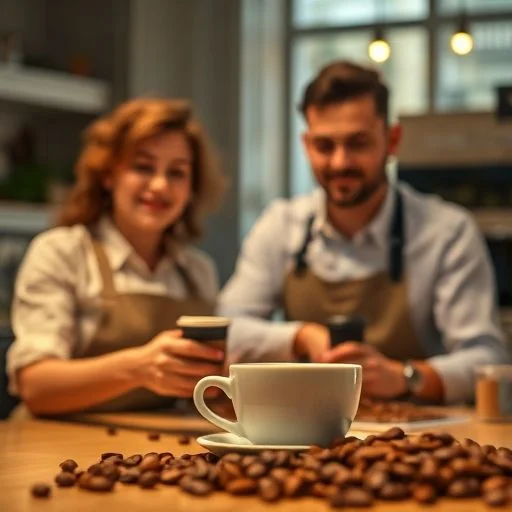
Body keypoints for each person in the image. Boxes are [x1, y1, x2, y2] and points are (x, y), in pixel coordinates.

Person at [220, 60, 509, 405]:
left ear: (392, 140)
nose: (340, 162)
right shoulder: (281, 225)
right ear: (306, 145)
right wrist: (299, 337)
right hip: (309, 431)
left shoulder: (447, 233)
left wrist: (405, 377)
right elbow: (227, 328)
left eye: (358, 143)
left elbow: (486, 358)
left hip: (420, 437)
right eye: (325, 146)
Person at [7, 98, 227, 415]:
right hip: (53, 446)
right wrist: (138, 368)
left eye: (177, 172)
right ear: (108, 175)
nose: (160, 185)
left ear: (192, 187)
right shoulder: (62, 252)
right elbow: (35, 386)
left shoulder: (197, 270)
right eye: (143, 167)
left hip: (150, 451)